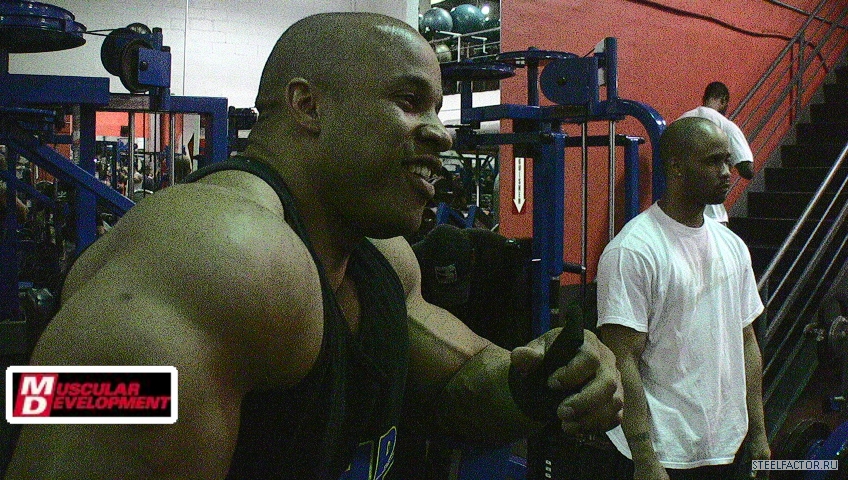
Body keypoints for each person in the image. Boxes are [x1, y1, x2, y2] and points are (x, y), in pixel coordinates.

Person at [5, 12, 622, 480]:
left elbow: (455, 384)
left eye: (436, 108)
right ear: (307, 105)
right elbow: (65, 402)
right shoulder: (218, 253)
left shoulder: (379, 257)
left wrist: (544, 379)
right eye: (410, 103)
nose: (440, 132)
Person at [595, 117, 770, 479]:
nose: (727, 172)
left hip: (727, 446)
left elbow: (747, 343)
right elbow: (622, 359)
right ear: (675, 168)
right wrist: (644, 458)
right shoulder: (633, 250)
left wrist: (758, 433)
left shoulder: (733, 247)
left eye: (727, 160)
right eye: (713, 162)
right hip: (664, 453)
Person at [678, 81, 755, 225]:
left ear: (704, 98)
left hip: (680, 212)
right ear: (724, 100)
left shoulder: (681, 122)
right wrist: (726, 161)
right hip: (712, 215)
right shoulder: (725, 126)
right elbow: (747, 170)